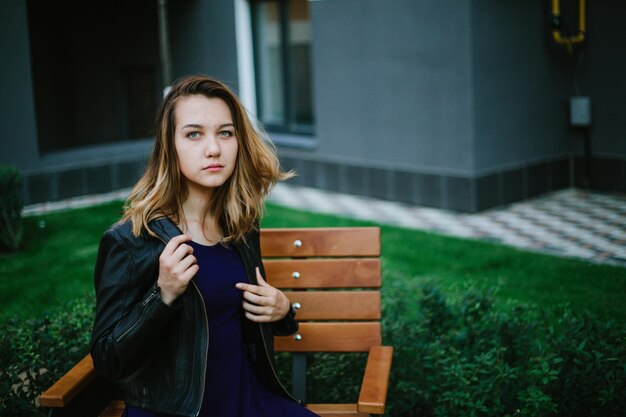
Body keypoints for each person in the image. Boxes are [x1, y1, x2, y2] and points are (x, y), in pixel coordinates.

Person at [90, 75, 318, 417]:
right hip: (170, 412)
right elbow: (108, 360)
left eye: (225, 133)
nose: (213, 148)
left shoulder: (240, 225)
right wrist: (162, 295)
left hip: (246, 402)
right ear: (170, 145)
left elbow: (254, 318)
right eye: (194, 134)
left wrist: (283, 310)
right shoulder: (131, 240)